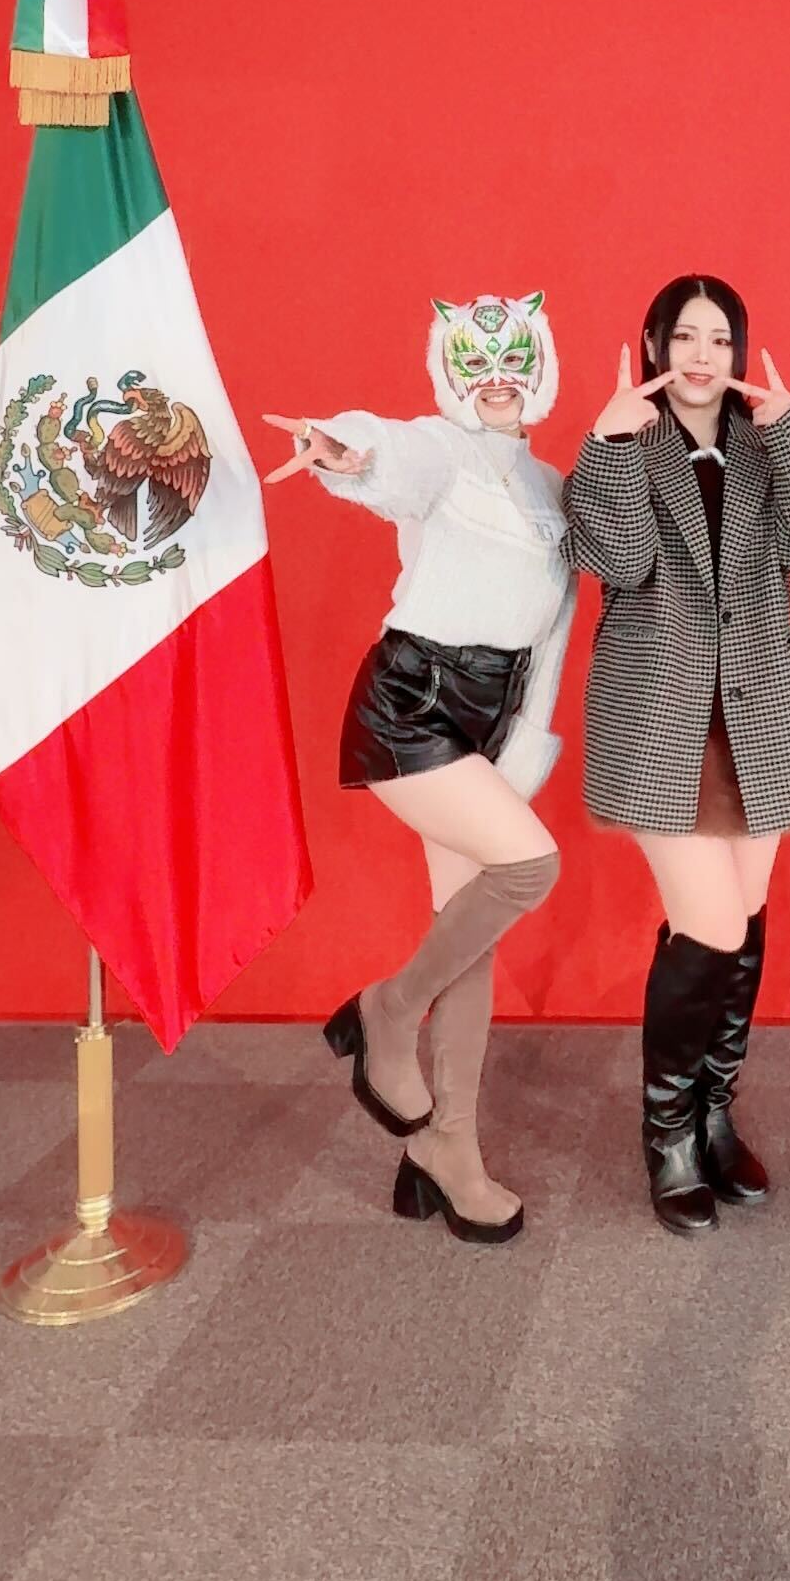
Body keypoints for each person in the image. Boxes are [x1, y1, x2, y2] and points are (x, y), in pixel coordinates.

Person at [264, 291, 575, 1245]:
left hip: (493, 716)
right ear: (450, 370)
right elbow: (390, 453)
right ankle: (387, 1011)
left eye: (514, 362)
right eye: (476, 362)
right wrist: (342, 447)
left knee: (470, 938)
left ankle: (446, 1151)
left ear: (539, 370)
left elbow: (553, 635)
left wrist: (526, 743)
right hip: (412, 703)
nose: (496, 379)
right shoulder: (443, 451)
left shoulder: (554, 486)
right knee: (530, 867)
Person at [565, 274, 790, 1235]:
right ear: (653, 344)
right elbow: (616, 561)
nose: (702, 356)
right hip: (661, 718)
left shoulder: (763, 444)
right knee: (713, 928)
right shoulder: (624, 442)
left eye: (720, 339)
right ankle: (667, 1137)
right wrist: (610, 444)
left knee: (744, 916)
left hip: (757, 712)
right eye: (685, 336)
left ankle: (714, 1111)